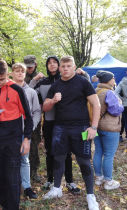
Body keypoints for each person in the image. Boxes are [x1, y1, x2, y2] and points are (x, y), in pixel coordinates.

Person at [42, 56, 100, 210]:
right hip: (60, 128)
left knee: (84, 162)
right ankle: (56, 188)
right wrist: (53, 100)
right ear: (59, 68)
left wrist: (93, 128)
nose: (66, 68)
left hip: (81, 128)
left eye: (69, 66)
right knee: (58, 159)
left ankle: (90, 196)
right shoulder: (56, 85)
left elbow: (96, 104)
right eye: (63, 66)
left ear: (74, 67)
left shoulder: (83, 82)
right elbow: (45, 107)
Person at [29, 56, 81, 194]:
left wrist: (85, 73)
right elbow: (27, 93)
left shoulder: (66, 79)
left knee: (67, 152)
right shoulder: (42, 83)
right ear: (46, 66)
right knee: (50, 151)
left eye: (54, 62)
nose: (52, 65)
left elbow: (84, 85)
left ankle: (69, 181)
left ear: (58, 65)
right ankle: (50, 180)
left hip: (66, 122)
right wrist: (34, 80)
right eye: (49, 63)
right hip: (50, 122)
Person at [0, 60, 33, 210]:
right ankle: (3, 202)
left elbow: (28, 116)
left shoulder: (17, 90)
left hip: (13, 140)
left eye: (2, 79)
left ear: (8, 74)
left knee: (13, 177)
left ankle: (13, 207)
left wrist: (27, 139)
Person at [11, 63, 41, 199]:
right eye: (17, 71)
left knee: (24, 159)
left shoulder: (31, 92)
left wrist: (31, 127)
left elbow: (36, 111)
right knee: (7, 160)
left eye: (22, 71)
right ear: (12, 73)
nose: (20, 73)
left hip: (24, 131)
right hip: (9, 132)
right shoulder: (7, 90)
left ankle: (27, 186)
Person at [92, 70, 124, 190]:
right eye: (113, 78)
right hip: (110, 128)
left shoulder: (96, 91)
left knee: (98, 152)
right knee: (109, 155)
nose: (114, 80)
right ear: (109, 80)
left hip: (96, 126)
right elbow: (115, 110)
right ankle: (108, 181)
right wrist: (121, 104)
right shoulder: (109, 93)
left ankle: (99, 178)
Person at [23, 55, 44, 182]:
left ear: (35, 64)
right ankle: (23, 170)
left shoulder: (42, 78)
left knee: (34, 144)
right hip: (23, 116)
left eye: (31, 66)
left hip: (36, 114)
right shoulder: (21, 77)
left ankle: (34, 170)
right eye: (27, 66)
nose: (29, 68)